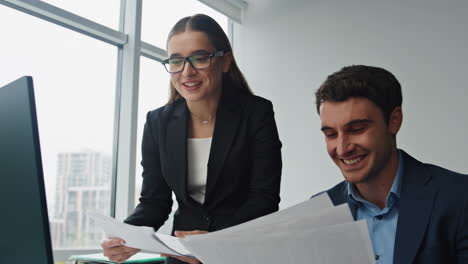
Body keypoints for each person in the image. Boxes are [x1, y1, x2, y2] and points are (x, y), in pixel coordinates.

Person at [101, 14, 282, 264]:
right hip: (183, 258)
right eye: (176, 61)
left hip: (242, 253)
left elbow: (264, 199)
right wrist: (126, 236)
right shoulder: (157, 122)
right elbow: (154, 201)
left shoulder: (256, 113)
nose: (187, 71)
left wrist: (213, 241)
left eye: (199, 58)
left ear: (225, 61)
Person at [314, 65, 468, 264]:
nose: (342, 149)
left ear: (394, 121)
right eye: (331, 134)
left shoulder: (460, 197)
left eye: (357, 129)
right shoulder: (319, 212)